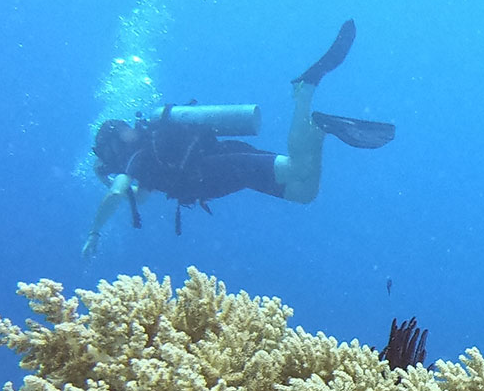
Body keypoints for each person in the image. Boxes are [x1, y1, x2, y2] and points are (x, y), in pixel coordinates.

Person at [84, 20, 396, 256]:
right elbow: (138, 197)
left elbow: (117, 194)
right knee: (304, 192)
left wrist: (94, 233)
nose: (108, 160)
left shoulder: (139, 157)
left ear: (113, 145)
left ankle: (306, 94)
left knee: (297, 170)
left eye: (105, 152)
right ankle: (315, 126)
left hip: (220, 170)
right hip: (223, 165)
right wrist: (107, 180)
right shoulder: (148, 156)